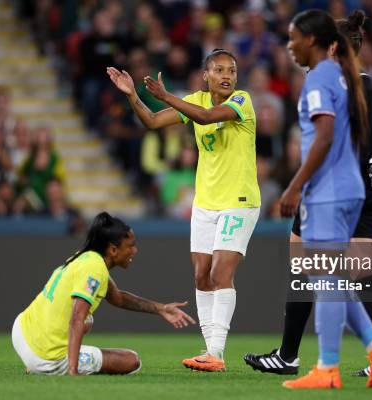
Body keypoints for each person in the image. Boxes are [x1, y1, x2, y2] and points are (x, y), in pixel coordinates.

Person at [250, 9, 372, 389]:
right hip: (357, 183)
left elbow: (328, 136)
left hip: (329, 187)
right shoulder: (362, 83)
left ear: (324, 43)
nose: (290, 46)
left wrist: (297, 185)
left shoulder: (325, 79)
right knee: (332, 276)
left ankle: (323, 366)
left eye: (294, 38)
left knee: (319, 275)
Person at [106, 48, 261, 372]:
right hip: (205, 203)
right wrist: (133, 95)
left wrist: (166, 96)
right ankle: (209, 350)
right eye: (218, 70)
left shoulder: (242, 102)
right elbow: (150, 121)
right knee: (202, 276)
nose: (227, 76)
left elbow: (203, 118)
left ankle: (216, 353)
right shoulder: (196, 101)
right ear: (206, 76)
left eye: (231, 70)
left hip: (239, 202)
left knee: (221, 273)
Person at [11, 212, 196, 376]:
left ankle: (37, 364)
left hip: (22, 331)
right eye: (130, 246)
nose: (135, 251)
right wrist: (73, 371)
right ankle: (50, 366)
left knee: (88, 320)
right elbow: (76, 318)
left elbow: (117, 297)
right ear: (113, 249)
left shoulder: (86, 257)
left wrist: (161, 308)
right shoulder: (94, 268)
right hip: (46, 356)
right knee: (132, 360)